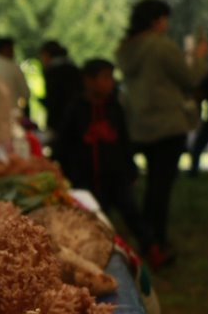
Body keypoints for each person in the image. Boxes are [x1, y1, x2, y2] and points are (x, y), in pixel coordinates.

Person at [116, 0, 208, 264]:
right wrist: (199, 58)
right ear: (157, 20)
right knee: (160, 188)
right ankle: (155, 240)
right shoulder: (161, 47)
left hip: (139, 126)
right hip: (167, 126)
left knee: (150, 187)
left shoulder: (126, 50)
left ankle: (148, 237)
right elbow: (190, 79)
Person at [53, 58, 158, 263]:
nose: (110, 83)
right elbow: (63, 143)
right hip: (86, 178)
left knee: (132, 213)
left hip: (116, 175)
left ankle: (152, 247)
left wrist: (130, 168)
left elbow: (124, 140)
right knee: (94, 218)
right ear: (88, 81)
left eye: (111, 78)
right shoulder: (76, 109)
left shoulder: (114, 107)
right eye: (105, 78)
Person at [38, 39, 81, 133]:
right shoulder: (73, 68)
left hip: (60, 122)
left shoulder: (53, 71)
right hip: (78, 120)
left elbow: (55, 100)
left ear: (46, 54)